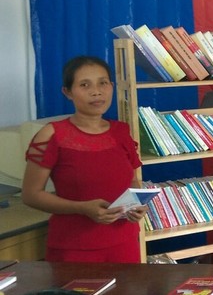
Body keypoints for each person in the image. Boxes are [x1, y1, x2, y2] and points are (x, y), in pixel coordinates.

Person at [21, 56, 146, 263]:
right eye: (84, 85)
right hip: (74, 247)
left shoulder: (121, 132)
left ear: (111, 86)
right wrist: (81, 208)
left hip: (124, 242)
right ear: (67, 92)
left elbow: (132, 181)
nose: (96, 92)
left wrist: (137, 205)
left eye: (102, 83)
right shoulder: (52, 134)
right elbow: (31, 195)